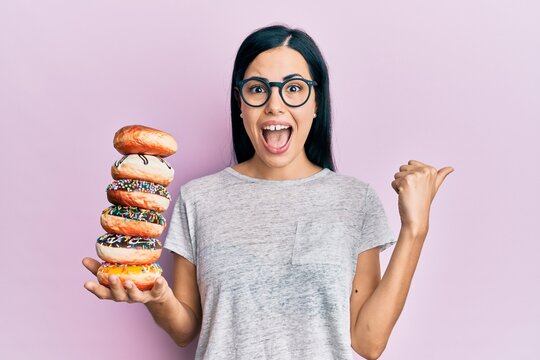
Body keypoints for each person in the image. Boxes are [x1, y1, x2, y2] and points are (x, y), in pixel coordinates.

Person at [83, 24, 454, 360]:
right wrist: (157, 296)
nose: (275, 104)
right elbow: (186, 329)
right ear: (240, 104)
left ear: (316, 103)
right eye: (258, 89)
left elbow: (368, 342)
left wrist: (415, 228)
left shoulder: (353, 201)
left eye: (294, 88)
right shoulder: (199, 198)